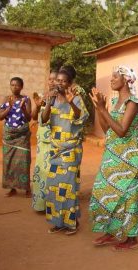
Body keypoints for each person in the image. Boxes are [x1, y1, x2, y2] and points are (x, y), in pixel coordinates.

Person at [89, 66, 138, 251]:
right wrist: (98, 108)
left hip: (130, 159)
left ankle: (131, 239)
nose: (111, 80)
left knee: (129, 197)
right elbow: (107, 130)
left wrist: (103, 109)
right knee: (107, 191)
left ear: (126, 79)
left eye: (115, 77)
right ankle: (112, 231)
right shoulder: (115, 101)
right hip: (112, 155)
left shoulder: (133, 102)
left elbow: (121, 131)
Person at [42, 70, 89, 235]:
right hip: (55, 150)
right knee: (54, 187)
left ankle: (71, 223)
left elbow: (81, 117)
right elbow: (43, 119)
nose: (59, 83)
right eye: (57, 81)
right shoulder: (52, 99)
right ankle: (58, 222)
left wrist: (71, 103)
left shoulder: (76, 99)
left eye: (63, 81)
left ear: (69, 84)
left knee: (68, 187)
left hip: (71, 150)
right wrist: (48, 102)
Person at [0, 77, 32, 197]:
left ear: (21, 87)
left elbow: (29, 118)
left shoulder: (26, 99)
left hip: (22, 135)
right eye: (12, 85)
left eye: (17, 85)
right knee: (9, 162)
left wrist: (23, 109)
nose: (14, 87)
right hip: (9, 136)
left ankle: (26, 188)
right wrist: (9, 107)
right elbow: (0, 117)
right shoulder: (6, 99)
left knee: (24, 161)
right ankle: (12, 188)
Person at [31, 70, 57, 211]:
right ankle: (40, 205)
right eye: (50, 79)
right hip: (42, 141)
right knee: (41, 172)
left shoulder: (62, 98)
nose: (52, 81)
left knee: (52, 173)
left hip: (55, 141)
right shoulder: (42, 96)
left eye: (55, 79)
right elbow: (34, 117)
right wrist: (37, 105)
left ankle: (52, 205)